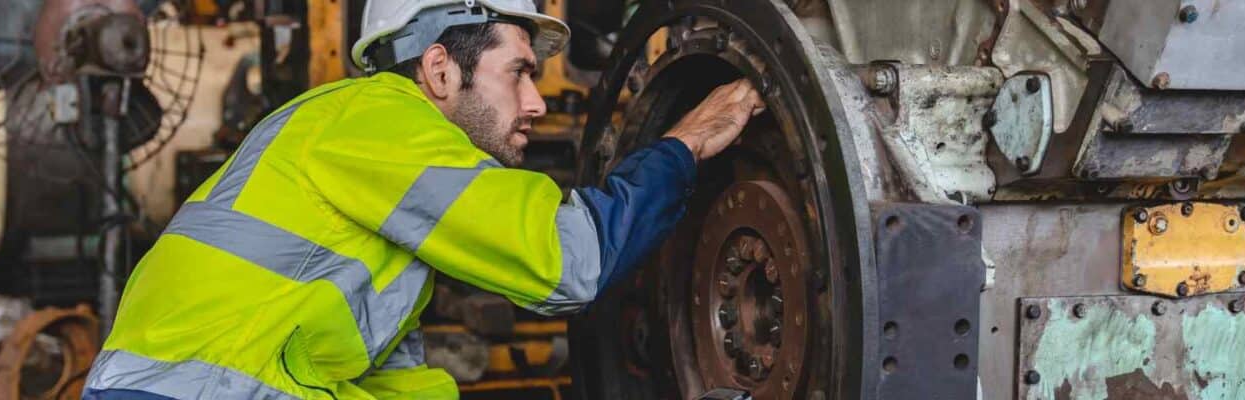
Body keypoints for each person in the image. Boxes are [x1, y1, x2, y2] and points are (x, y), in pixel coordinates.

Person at [81, 0, 763, 398]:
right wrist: (684, 146)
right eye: (519, 72)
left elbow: (394, 384)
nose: (535, 102)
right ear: (439, 69)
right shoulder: (378, 122)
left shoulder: (379, 193)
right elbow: (567, 260)